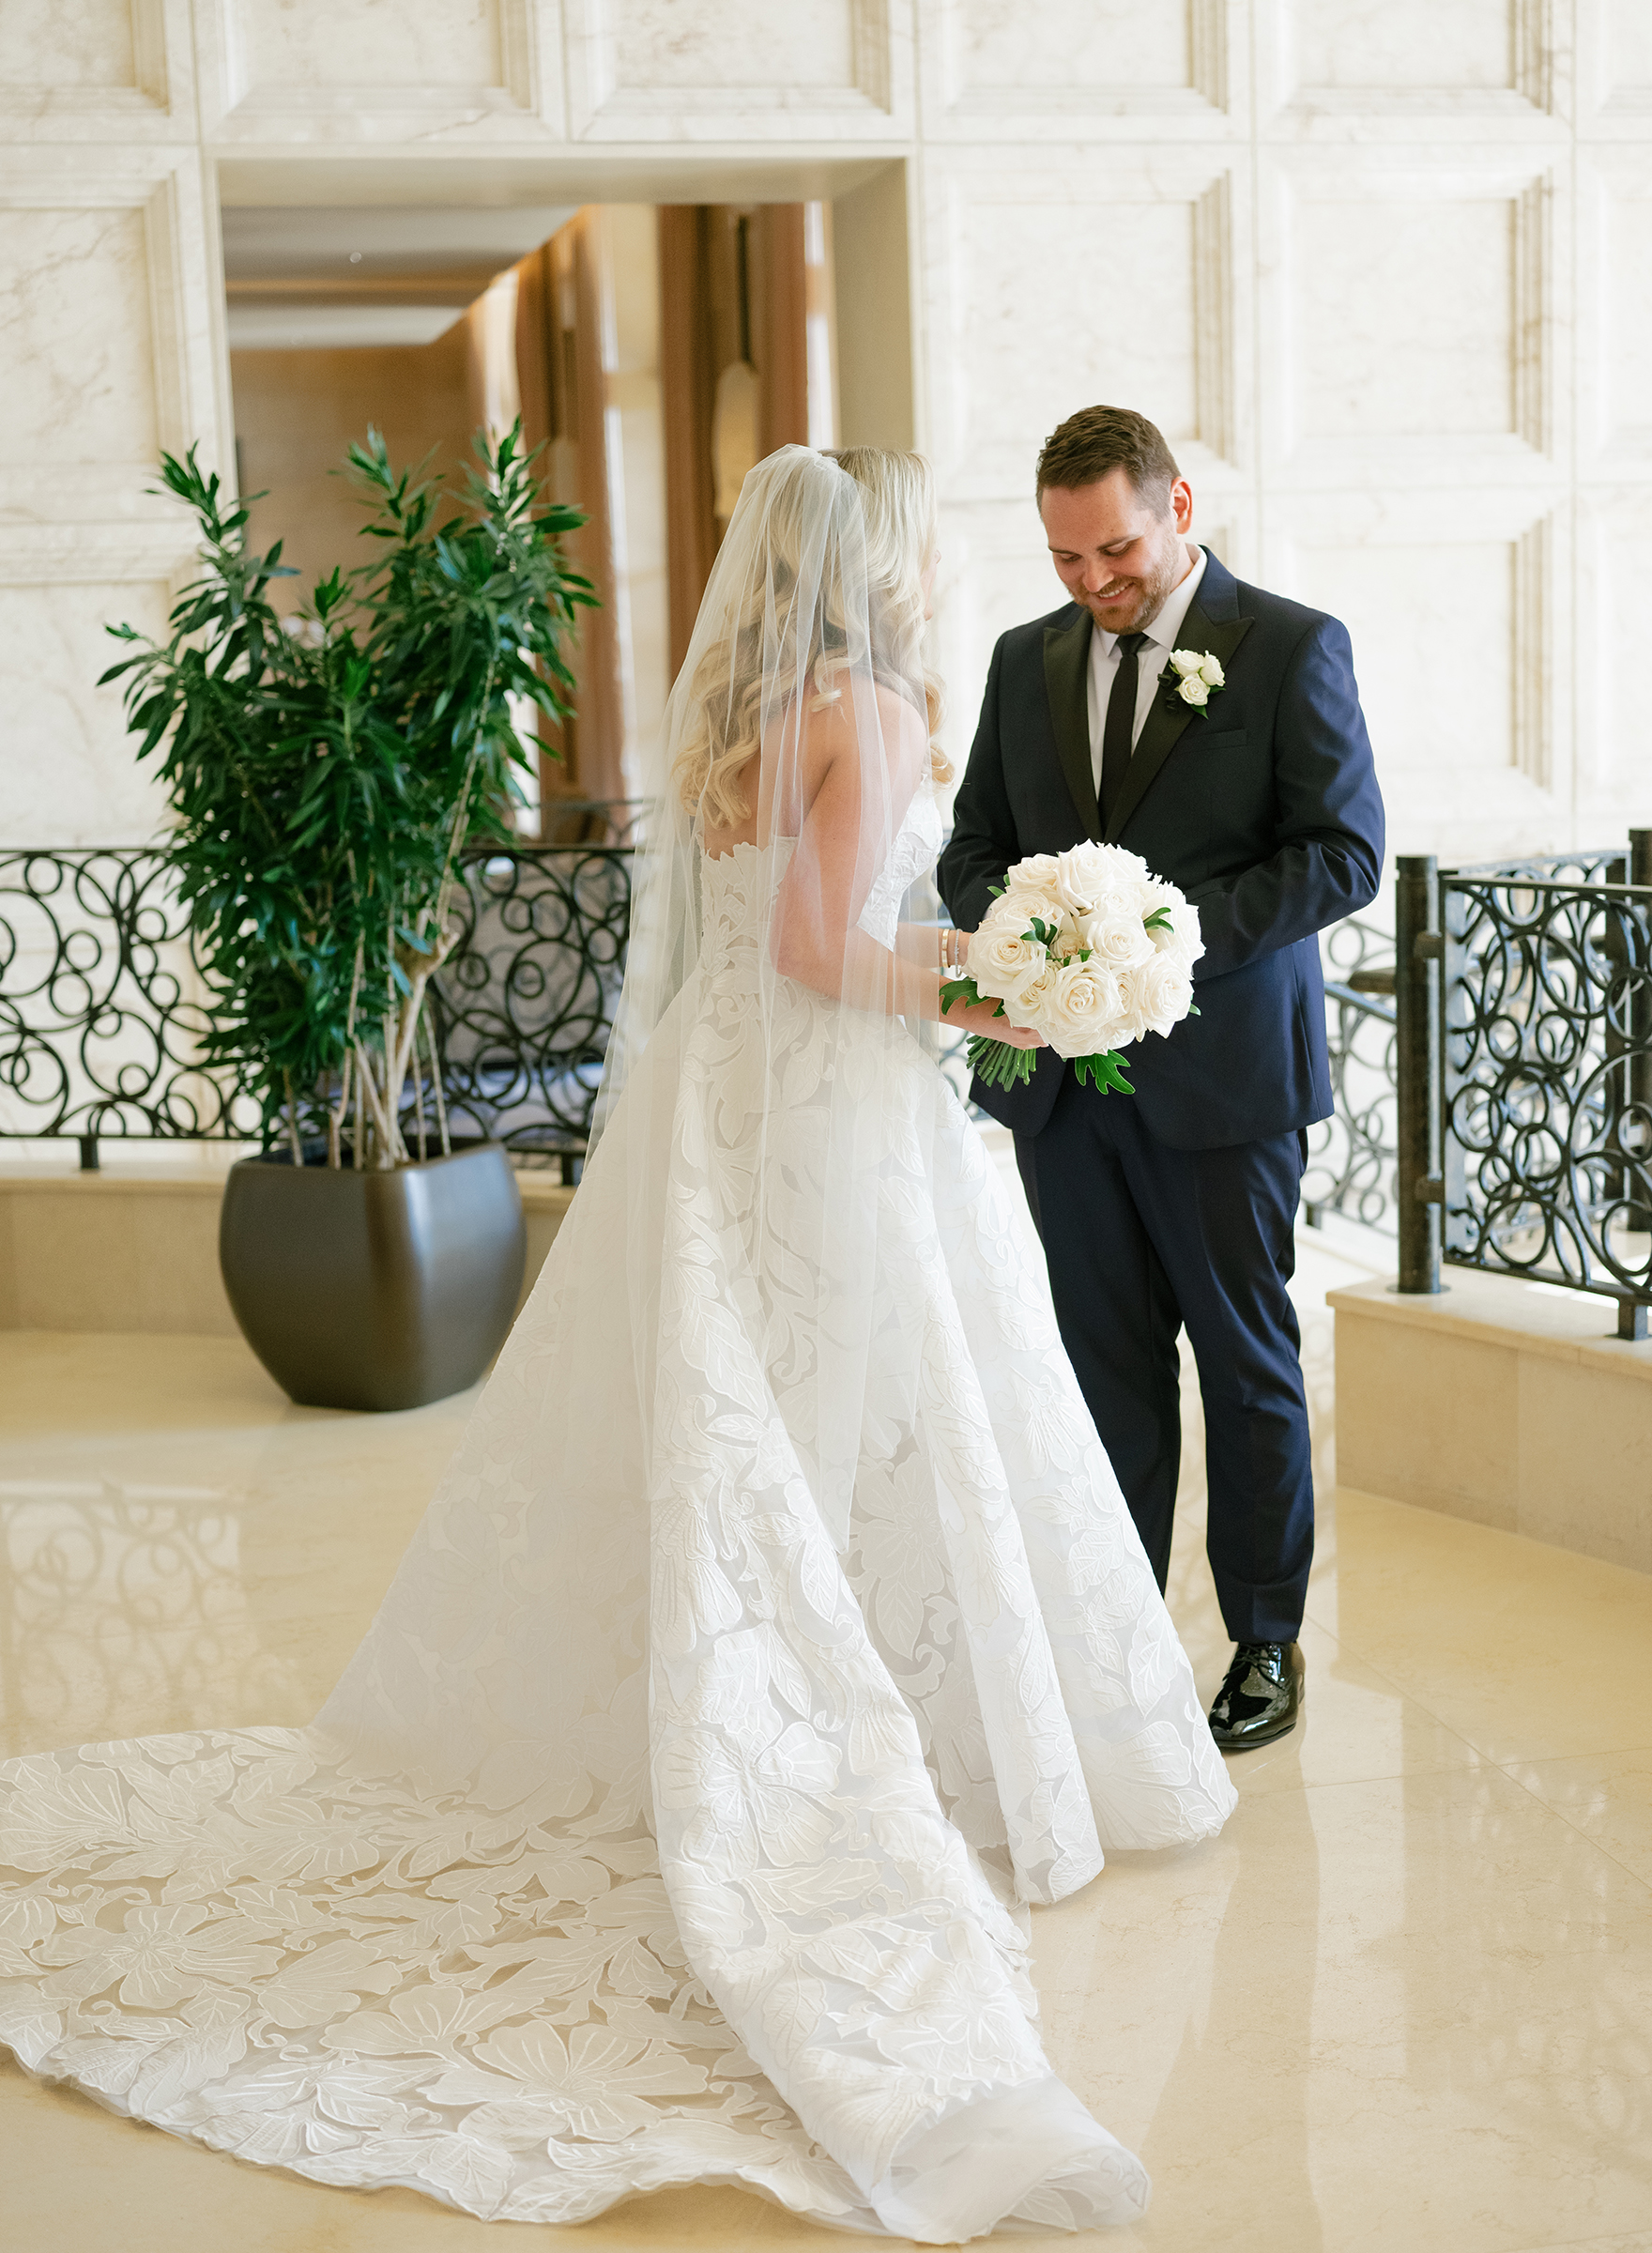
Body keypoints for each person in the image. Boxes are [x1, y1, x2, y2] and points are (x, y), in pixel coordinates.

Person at [0, 446, 1234, 2243]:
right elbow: (829, 950)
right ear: (881, 562)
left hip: (714, 1109)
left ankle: (735, 1703)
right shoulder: (875, 705)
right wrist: (1003, 979)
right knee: (872, 1419)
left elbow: (753, 938)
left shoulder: (741, 710)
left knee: (749, 1423)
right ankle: (873, 1739)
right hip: (834, 1112)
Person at [939, 406, 1385, 1755]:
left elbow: (1343, 854)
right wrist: (1028, 928)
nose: (1091, 583)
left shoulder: (1290, 645)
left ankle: (1263, 1639)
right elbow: (974, 845)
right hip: (1064, 1089)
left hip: (1226, 1085)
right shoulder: (1024, 664)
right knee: (1104, 1369)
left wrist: (1156, 941)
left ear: (1178, 507)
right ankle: (1118, 1632)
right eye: (1066, 558)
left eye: (1115, 550)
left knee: (1247, 1362)